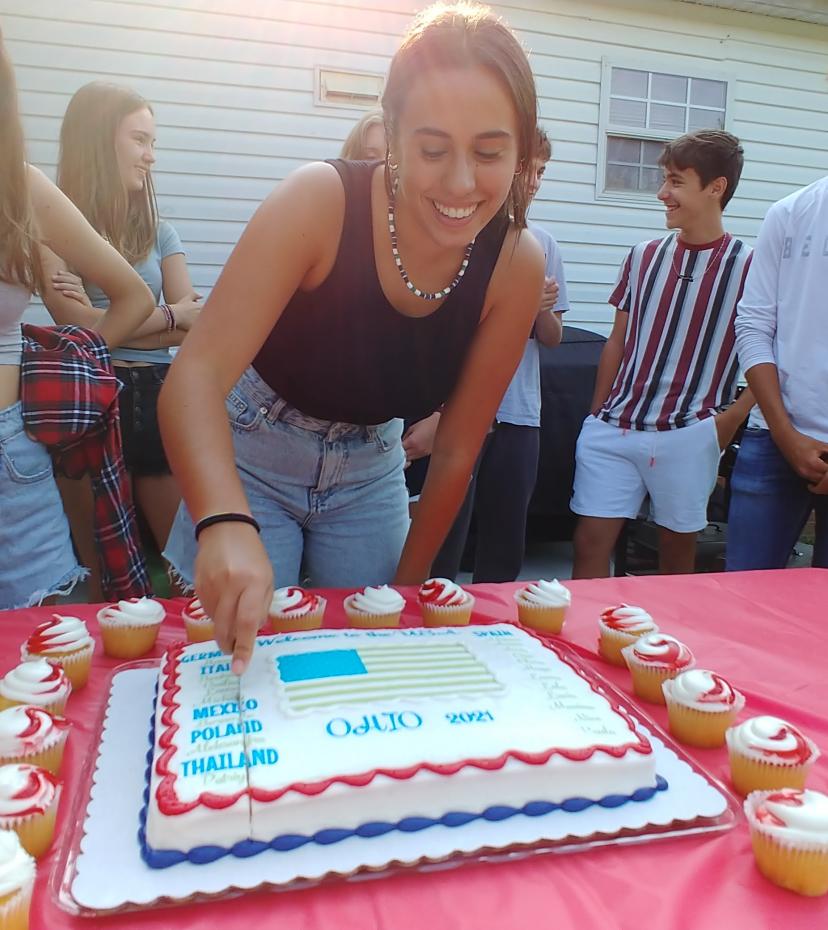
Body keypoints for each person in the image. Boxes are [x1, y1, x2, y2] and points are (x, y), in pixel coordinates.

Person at [159, 1, 546, 673]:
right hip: (251, 452)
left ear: (522, 149)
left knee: (367, 666)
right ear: (390, 136)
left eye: (489, 153)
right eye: (431, 150)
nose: (460, 182)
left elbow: (456, 448)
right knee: (231, 671)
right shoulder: (318, 202)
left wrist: (406, 589)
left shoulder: (516, 264)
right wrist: (221, 521)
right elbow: (194, 377)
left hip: (372, 470)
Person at [0, 29, 153, 609]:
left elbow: (131, 296)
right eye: (140, 138)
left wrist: (79, 361)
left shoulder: (19, 186)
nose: (150, 153)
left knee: (51, 657)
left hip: (12, 453)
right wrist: (176, 318)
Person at [571, 129, 755, 579]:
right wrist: (597, 412)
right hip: (615, 426)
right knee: (589, 543)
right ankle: (576, 644)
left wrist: (727, 422)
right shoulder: (642, 256)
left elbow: (774, 354)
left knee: (676, 555)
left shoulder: (750, 266)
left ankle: (666, 648)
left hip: (690, 430)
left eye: (675, 182)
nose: (662, 194)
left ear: (716, 188)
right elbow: (618, 340)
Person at [41, 82, 201, 597]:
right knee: (99, 570)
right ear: (98, 140)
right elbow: (76, 330)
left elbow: (193, 319)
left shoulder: (161, 231)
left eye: (153, 142)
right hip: (88, 405)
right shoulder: (49, 228)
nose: (150, 156)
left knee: (183, 571)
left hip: (157, 400)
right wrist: (166, 315)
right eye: (140, 140)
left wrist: (108, 317)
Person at [412, 127, 566, 582]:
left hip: (520, 413)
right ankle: (432, 619)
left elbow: (552, 338)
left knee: (505, 533)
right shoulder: (465, 235)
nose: (534, 180)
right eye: (527, 169)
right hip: (459, 410)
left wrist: (540, 310)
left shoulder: (544, 245)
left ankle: (495, 630)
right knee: (446, 531)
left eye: (542, 171)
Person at [727, 175, 828, 570]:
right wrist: (785, 434)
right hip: (773, 439)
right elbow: (752, 325)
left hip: (778, 439)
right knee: (744, 601)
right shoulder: (790, 212)